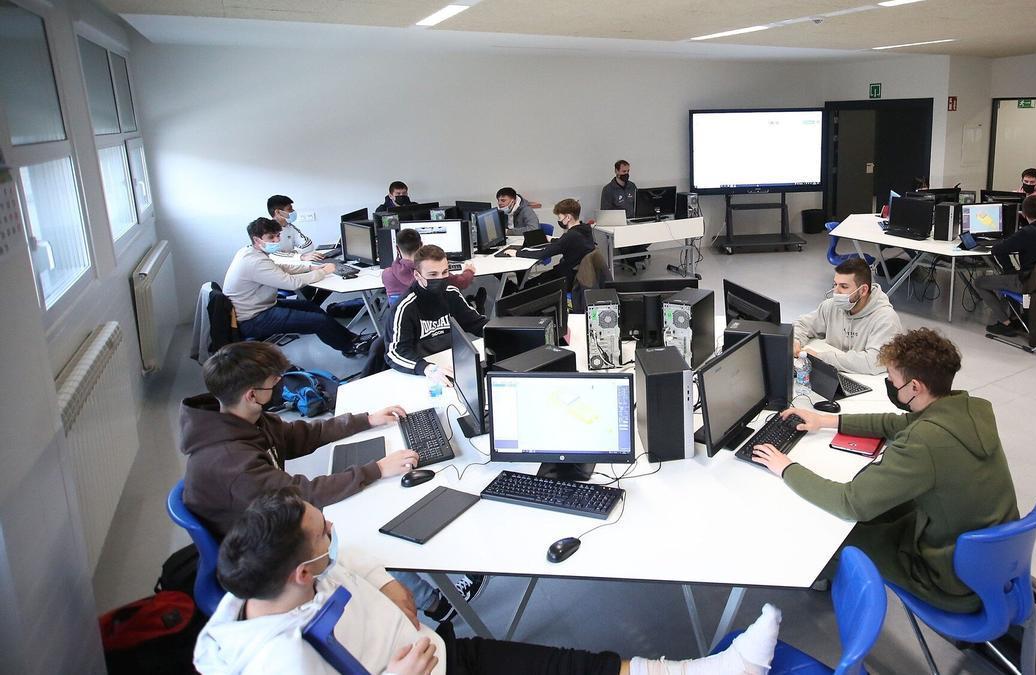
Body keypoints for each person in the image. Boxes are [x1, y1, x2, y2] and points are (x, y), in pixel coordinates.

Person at [194, 487, 784, 675]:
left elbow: (352, 563)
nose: (333, 530)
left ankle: (704, 672)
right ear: (302, 571)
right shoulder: (278, 662)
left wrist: (394, 586)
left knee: (574, 666)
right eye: (324, 531)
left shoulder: (285, 581)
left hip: (441, 654)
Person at [181, 342, 478, 623]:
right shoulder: (232, 464)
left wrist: (366, 420)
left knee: (358, 512)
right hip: (258, 553)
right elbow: (303, 493)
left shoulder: (243, 418)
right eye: (274, 383)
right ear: (251, 394)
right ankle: (437, 604)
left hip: (263, 518)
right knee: (356, 533)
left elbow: (301, 435)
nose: (280, 387)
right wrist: (376, 469)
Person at [751, 328, 1019, 614]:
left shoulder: (925, 442)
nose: (889, 382)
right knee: (878, 512)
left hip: (950, 580)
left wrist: (786, 467)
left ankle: (825, 583)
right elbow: (897, 424)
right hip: (991, 559)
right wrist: (828, 420)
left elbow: (850, 503)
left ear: (915, 387)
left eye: (892, 378)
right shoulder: (968, 409)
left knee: (830, 535)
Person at [223, 218, 371, 356]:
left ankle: (351, 339)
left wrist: (310, 268)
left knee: (311, 307)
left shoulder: (250, 252)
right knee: (320, 322)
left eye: (277, 236)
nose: (276, 240)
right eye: (271, 238)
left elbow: (278, 267)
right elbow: (291, 283)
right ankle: (350, 347)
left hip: (261, 307)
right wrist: (323, 272)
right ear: (256, 239)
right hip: (254, 318)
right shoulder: (253, 262)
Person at [386, 245, 488, 385]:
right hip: (423, 372)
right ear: (417, 275)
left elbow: (476, 324)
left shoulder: (451, 293)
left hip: (452, 363)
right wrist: (426, 368)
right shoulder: (405, 306)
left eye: (445, 272)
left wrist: (504, 333)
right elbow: (395, 353)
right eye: (433, 275)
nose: (441, 279)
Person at [971, 195, 1036, 336]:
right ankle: (1016, 316)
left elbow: (998, 249)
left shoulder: (1027, 233)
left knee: (980, 282)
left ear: (1023, 214)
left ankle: (1006, 323)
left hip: (1031, 283)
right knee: (1011, 274)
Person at [791, 258, 903, 375]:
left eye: (844, 287)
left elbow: (875, 361)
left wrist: (823, 358)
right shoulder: (831, 306)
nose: (836, 292)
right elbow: (803, 324)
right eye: (835, 284)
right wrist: (795, 340)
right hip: (833, 375)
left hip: (867, 380)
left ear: (863, 290)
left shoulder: (886, 319)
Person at [499, 198, 595, 292]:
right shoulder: (584, 229)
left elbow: (543, 254)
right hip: (578, 274)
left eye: (560, 217)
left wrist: (517, 253)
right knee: (535, 281)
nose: (559, 220)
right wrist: (552, 239)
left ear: (568, 217)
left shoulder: (570, 236)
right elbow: (568, 243)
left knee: (528, 286)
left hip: (567, 278)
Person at [383, 228, 476, 303]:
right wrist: (469, 270)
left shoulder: (387, 274)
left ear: (397, 248)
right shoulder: (430, 272)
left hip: (404, 321)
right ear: (422, 245)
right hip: (432, 321)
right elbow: (462, 282)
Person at [267, 195, 323, 260]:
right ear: (278, 212)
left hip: (291, 263)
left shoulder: (290, 227)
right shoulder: (266, 230)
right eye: (289, 209)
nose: (293, 211)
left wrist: (294, 253)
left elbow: (308, 244)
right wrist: (300, 256)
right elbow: (273, 254)